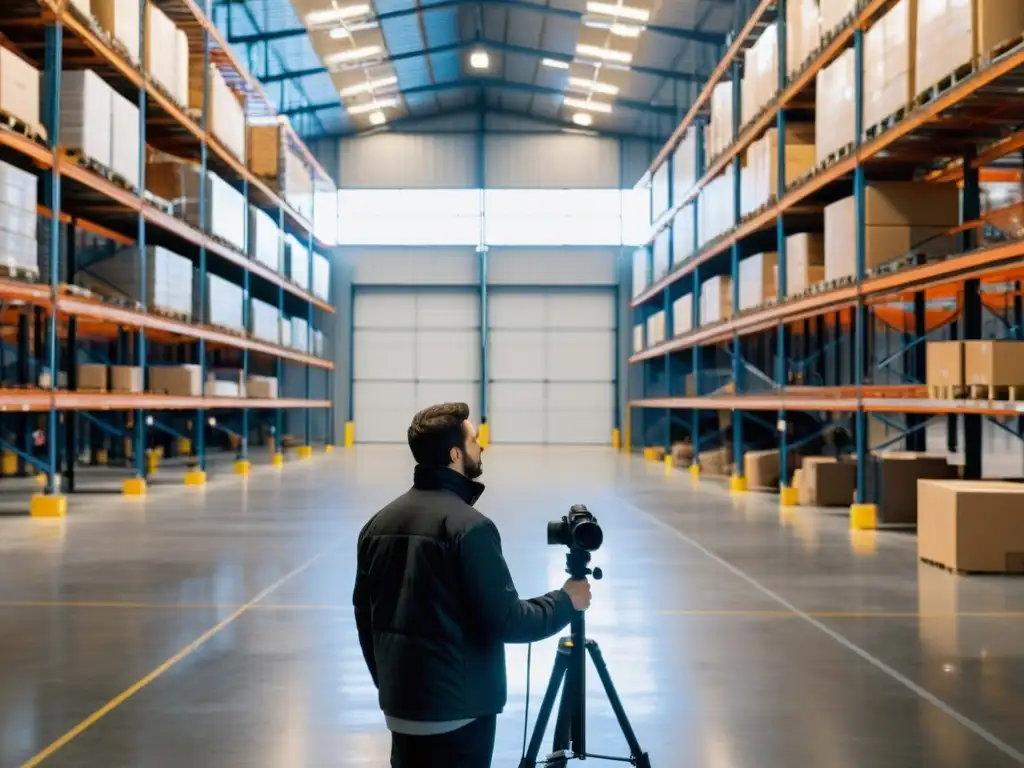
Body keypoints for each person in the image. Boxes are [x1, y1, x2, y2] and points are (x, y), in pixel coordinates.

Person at [353, 402, 592, 767]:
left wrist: (393, 688)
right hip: (458, 716)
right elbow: (508, 621)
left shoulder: (376, 524)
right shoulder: (470, 527)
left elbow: (365, 620)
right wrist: (565, 599)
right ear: (454, 454)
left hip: (399, 710)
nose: (481, 448)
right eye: (475, 440)